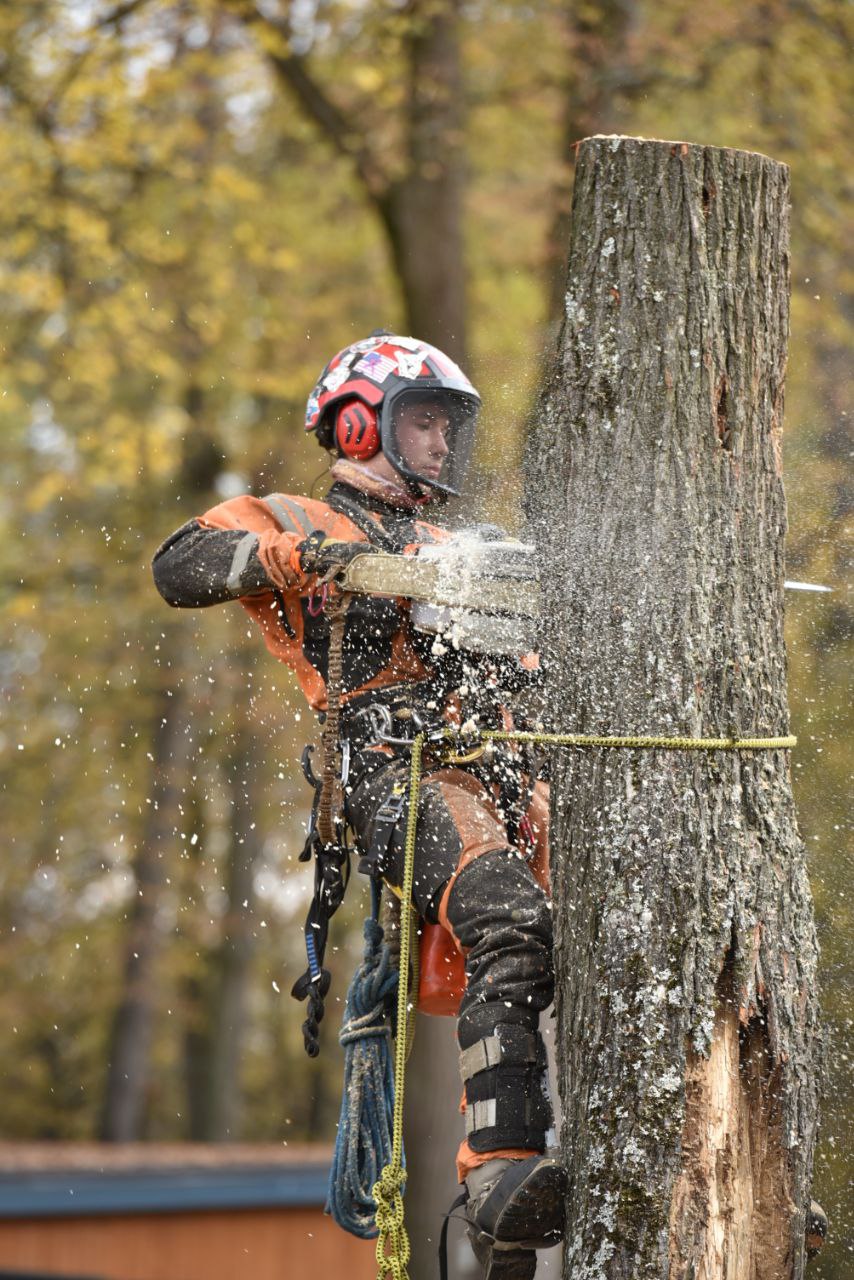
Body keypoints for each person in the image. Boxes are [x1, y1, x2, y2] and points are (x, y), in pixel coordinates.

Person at [152, 331, 565, 1279]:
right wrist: (300, 561)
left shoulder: (460, 546)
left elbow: (532, 665)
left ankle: (539, 1211)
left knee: (584, 926)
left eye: (447, 428)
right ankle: (499, 1170)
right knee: (507, 916)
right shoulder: (296, 516)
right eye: (422, 421)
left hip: (512, 768)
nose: (438, 445)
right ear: (357, 421)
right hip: (397, 769)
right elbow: (181, 564)